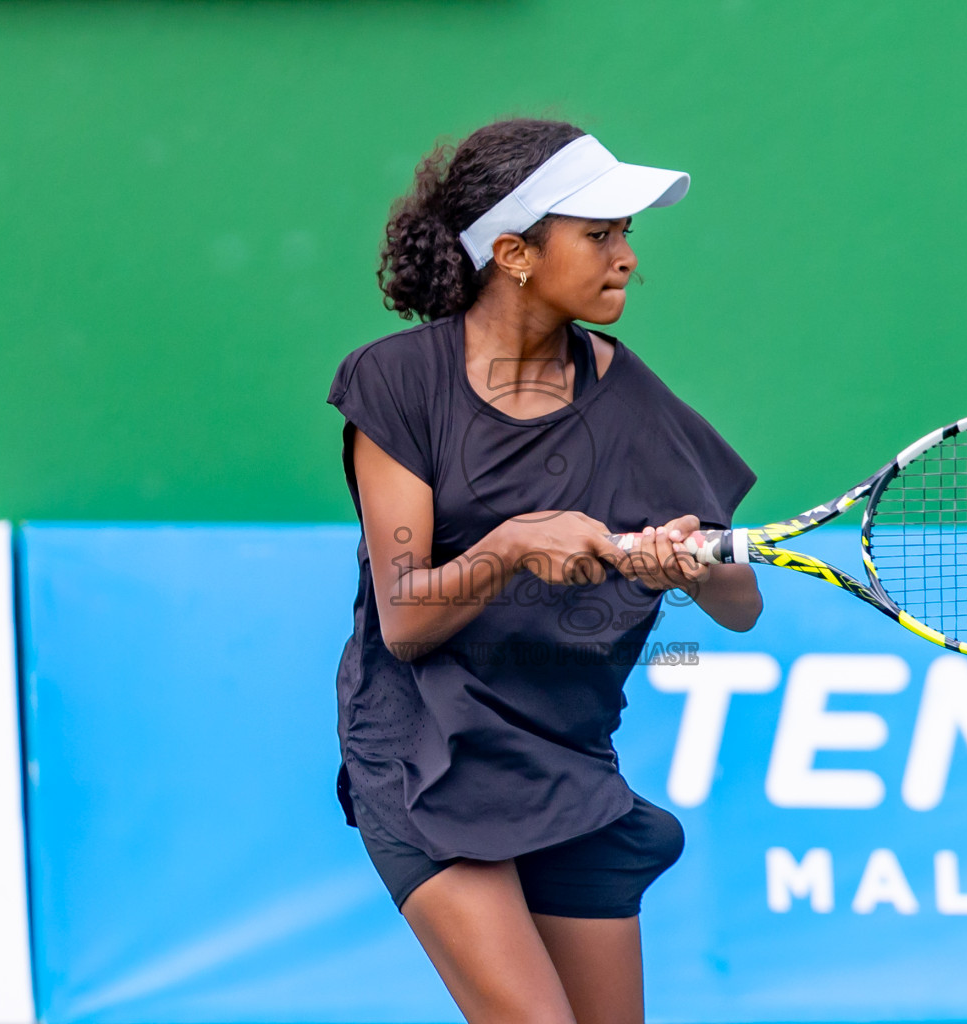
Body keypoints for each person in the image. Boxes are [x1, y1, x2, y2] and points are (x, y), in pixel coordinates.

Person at [326, 117, 761, 1024]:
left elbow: (739, 603)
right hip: (422, 753)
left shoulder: (633, 398)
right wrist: (511, 545)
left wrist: (686, 567)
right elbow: (405, 620)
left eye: (626, 235)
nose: (627, 257)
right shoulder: (397, 385)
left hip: (565, 758)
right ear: (515, 252)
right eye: (599, 235)